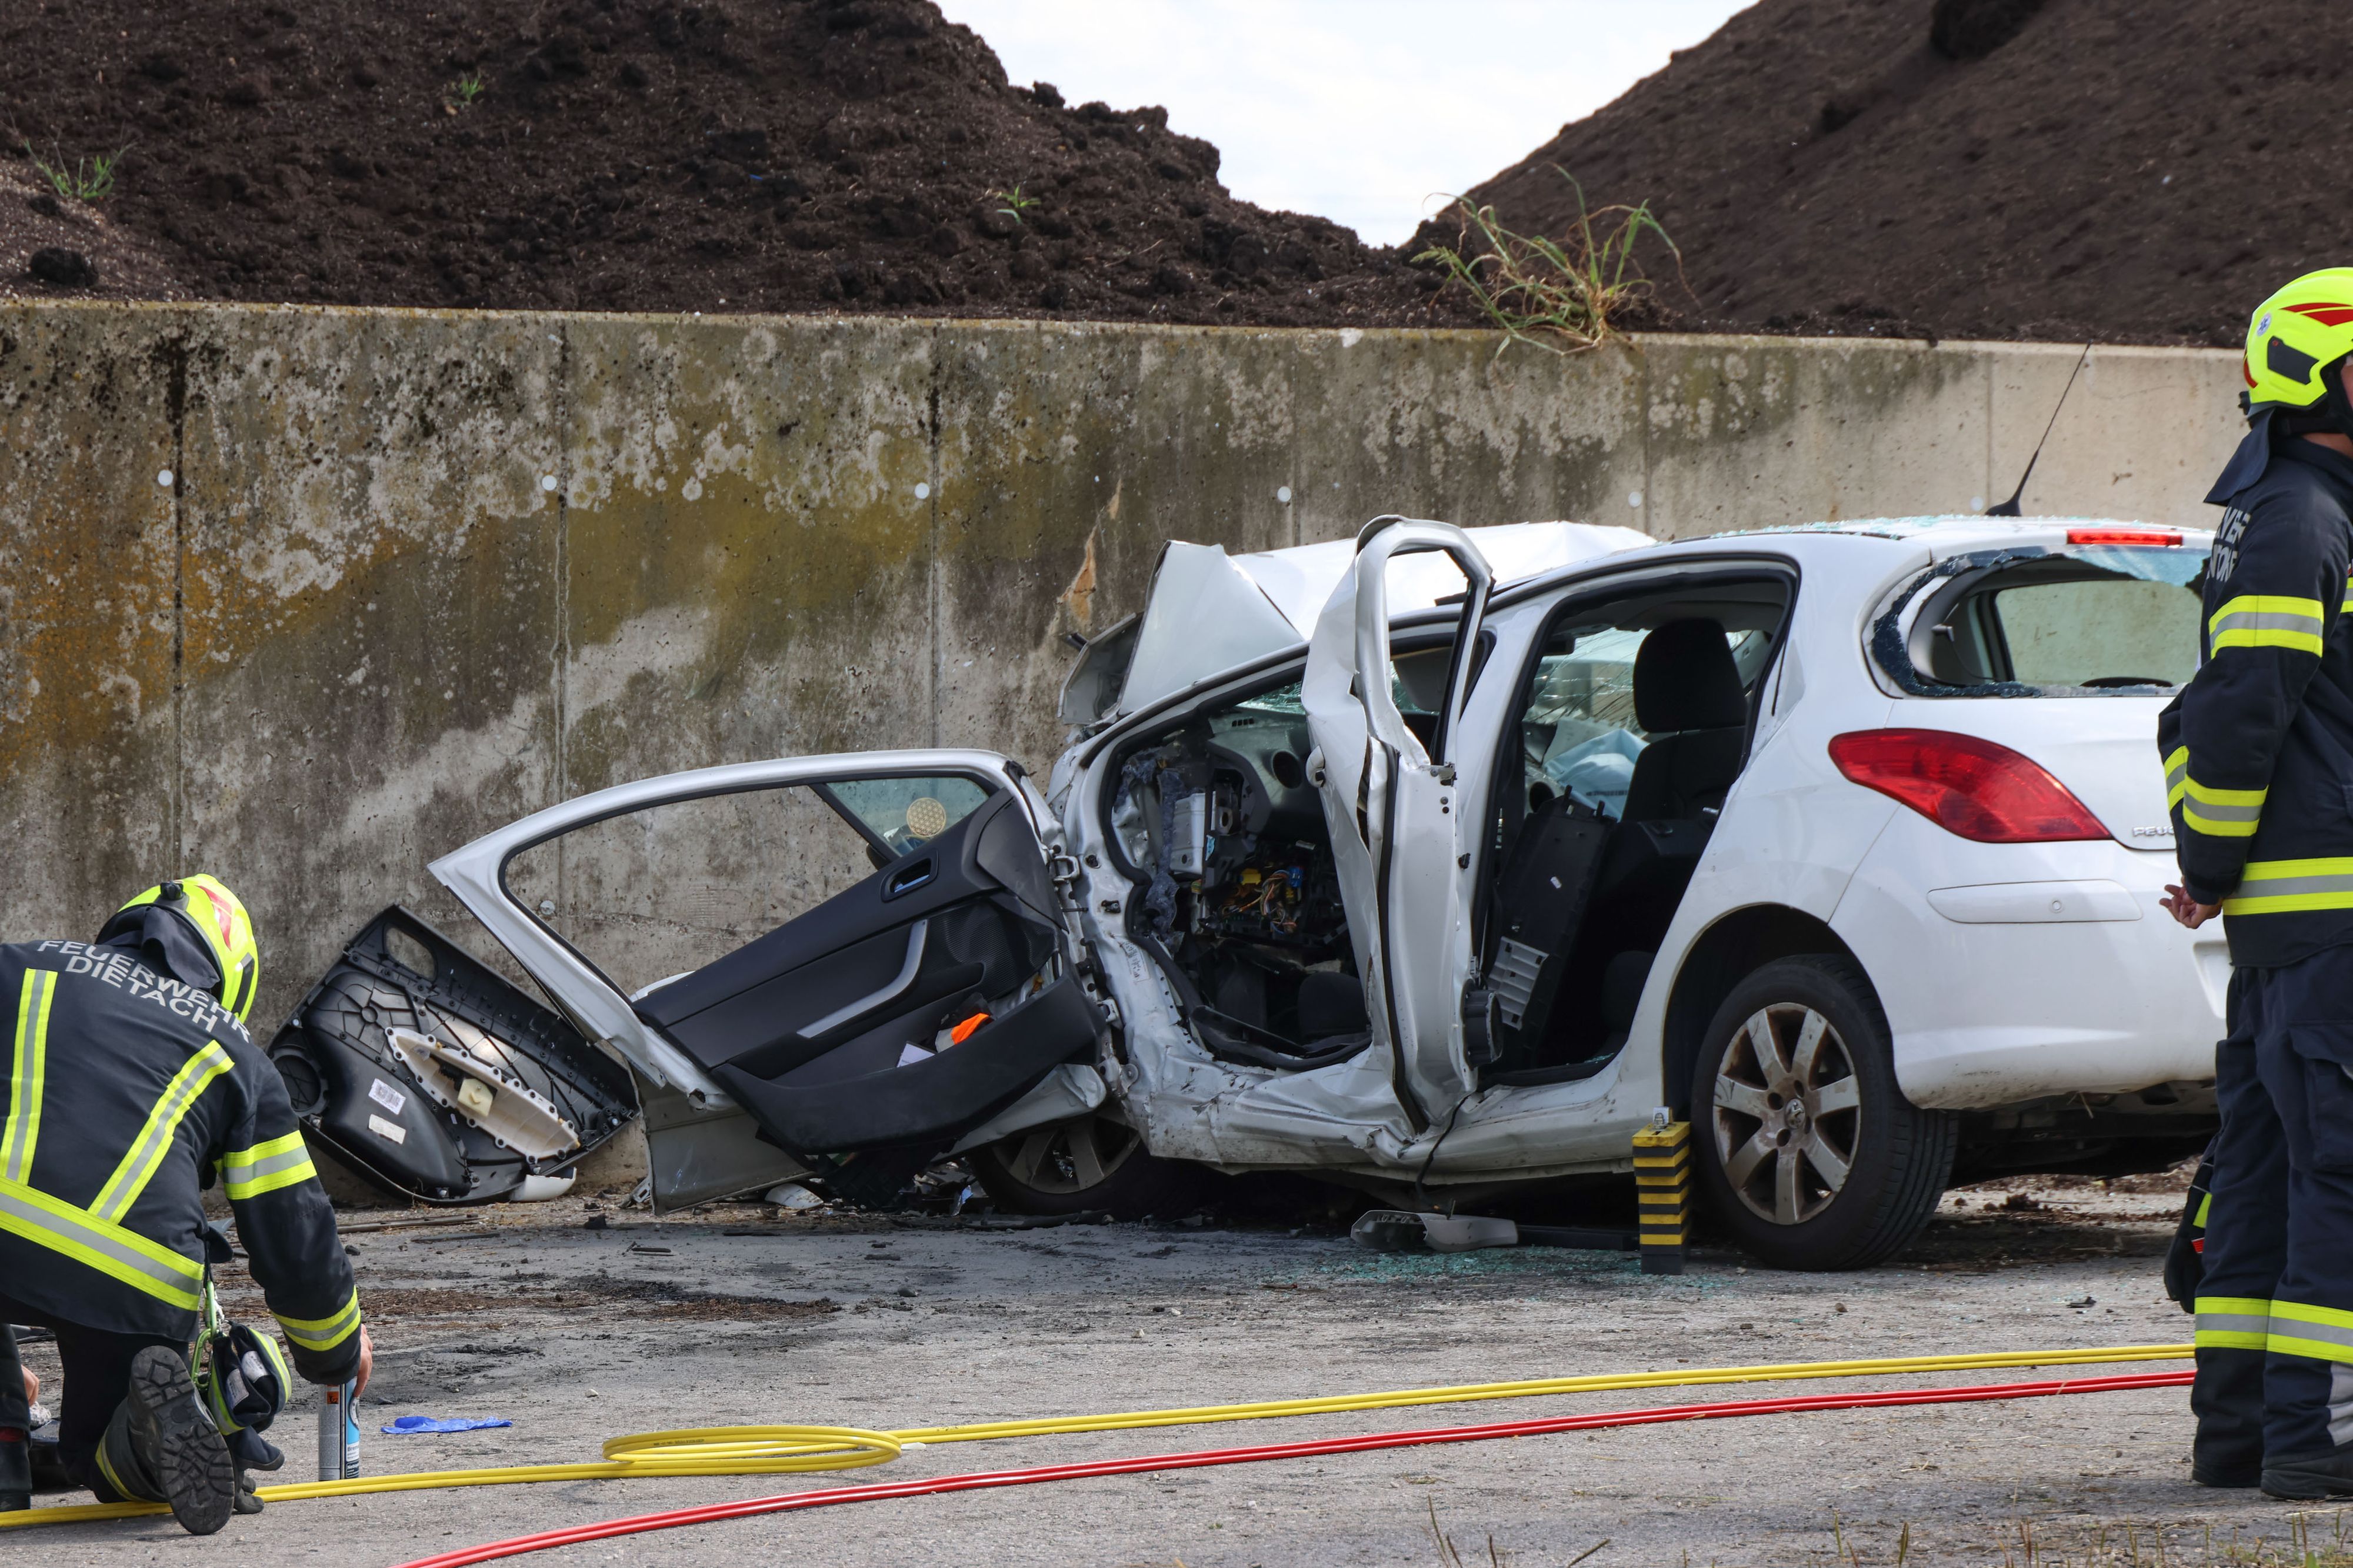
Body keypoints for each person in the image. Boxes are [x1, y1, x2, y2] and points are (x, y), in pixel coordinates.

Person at [0, 876, 369, 1532]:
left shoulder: (18, 966)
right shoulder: (237, 1051)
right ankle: (144, 1441)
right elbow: (294, 1226)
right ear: (229, 979)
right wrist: (337, 1350)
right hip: (135, 1277)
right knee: (100, 1447)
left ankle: (5, 1460)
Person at [2161, 268, 2353, 1500]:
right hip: (2329, 929)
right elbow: (2239, 711)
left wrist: (2217, 866)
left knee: (2267, 1179)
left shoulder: (2290, 511)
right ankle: (2318, 1436)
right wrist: (2208, 861)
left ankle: (2238, 1429)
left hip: (2297, 935)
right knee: (2339, 1179)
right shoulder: (2301, 518)